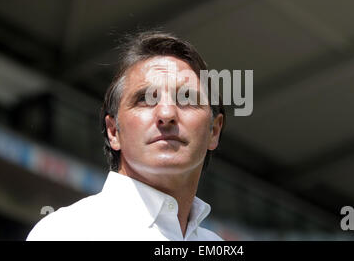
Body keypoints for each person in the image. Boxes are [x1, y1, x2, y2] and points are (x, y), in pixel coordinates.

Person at [26, 31, 226, 240]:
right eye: (145, 99)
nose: (167, 114)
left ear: (213, 131)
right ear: (114, 131)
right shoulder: (67, 232)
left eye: (186, 99)